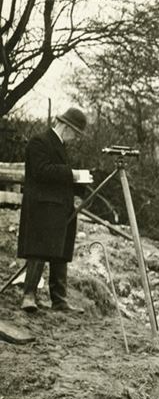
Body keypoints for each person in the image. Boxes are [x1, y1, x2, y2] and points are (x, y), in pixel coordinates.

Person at [17, 106, 89, 313]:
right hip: (42, 206)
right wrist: (72, 174)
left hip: (60, 206)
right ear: (65, 126)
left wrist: (79, 184)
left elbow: (60, 176)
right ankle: (29, 295)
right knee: (38, 250)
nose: (75, 138)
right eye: (75, 133)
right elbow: (41, 171)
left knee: (61, 252)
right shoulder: (39, 141)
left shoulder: (60, 145)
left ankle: (59, 300)